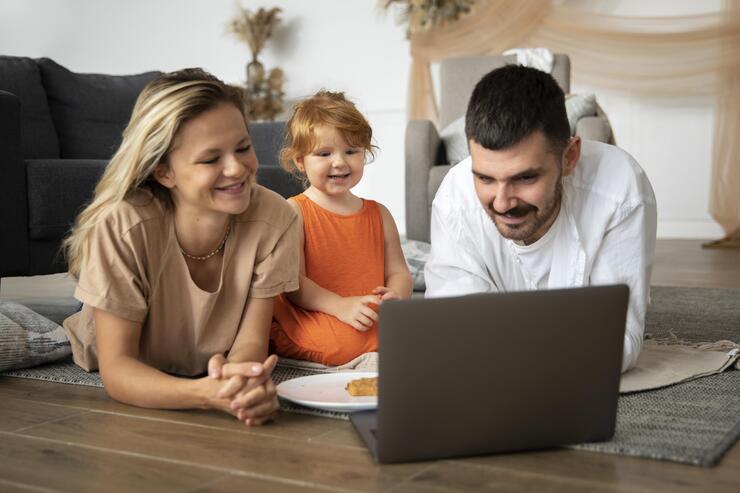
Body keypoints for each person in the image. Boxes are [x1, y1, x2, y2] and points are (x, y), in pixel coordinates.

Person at [62, 68, 299, 425]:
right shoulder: (123, 225)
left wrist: (241, 380)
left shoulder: (277, 218)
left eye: (243, 148)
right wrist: (205, 394)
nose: (237, 169)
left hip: (203, 350)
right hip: (121, 340)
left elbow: (251, 340)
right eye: (210, 159)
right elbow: (118, 369)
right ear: (164, 172)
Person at [425, 65, 657, 372]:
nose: (502, 202)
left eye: (525, 178)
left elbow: (615, 342)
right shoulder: (455, 197)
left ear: (569, 157)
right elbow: (452, 329)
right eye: (485, 178)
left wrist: (494, 342)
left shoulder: (620, 188)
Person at [270, 91, 412, 365]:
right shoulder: (295, 211)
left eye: (351, 151)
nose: (340, 162)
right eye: (324, 153)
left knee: (419, 335)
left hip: (366, 313)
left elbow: (399, 271)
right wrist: (339, 306)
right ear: (300, 161)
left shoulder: (379, 213)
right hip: (316, 310)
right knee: (342, 345)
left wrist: (397, 295)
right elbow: (293, 283)